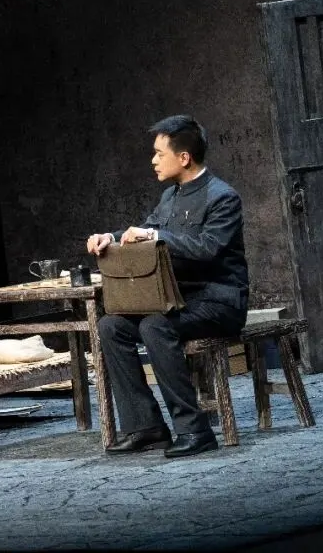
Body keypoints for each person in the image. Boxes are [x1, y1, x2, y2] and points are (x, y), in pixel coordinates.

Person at [86, 114, 249, 458]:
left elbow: (208, 247)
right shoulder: (170, 197)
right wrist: (110, 237)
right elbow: (144, 231)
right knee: (111, 326)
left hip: (219, 301)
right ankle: (146, 426)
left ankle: (194, 430)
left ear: (184, 157)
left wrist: (155, 235)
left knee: (155, 326)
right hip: (179, 301)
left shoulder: (223, 197)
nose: (153, 160)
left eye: (160, 153)